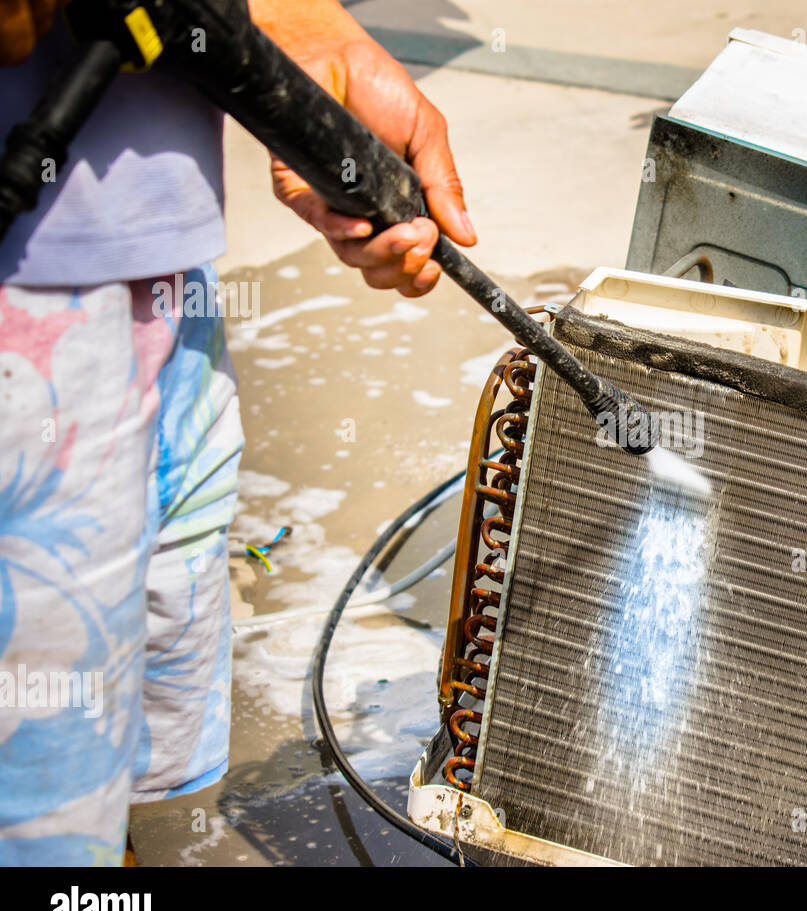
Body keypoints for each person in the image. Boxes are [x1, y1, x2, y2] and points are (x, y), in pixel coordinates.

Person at [0, 0, 475, 864]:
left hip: (162, 283)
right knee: (30, 793)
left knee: (107, 768)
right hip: (21, 316)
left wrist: (302, 31)